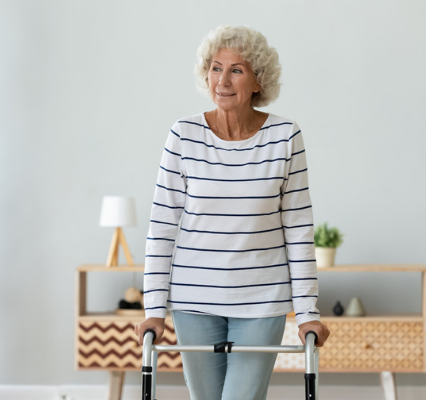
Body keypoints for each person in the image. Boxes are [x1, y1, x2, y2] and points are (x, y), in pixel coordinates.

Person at [134, 24, 330, 400]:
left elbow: (299, 230)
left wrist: (308, 311)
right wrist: (154, 309)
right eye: (215, 67)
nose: (222, 80)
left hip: (261, 302)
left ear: (258, 81)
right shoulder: (183, 136)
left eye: (237, 70)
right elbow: (162, 228)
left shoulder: (285, 137)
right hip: (193, 302)